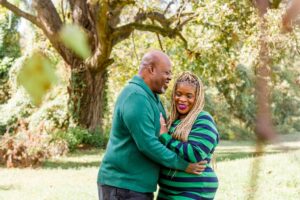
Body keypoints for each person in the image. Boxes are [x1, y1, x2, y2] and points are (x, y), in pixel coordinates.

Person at [97, 50, 207, 200]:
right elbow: (148, 144)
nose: (170, 78)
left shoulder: (153, 98)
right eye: (166, 72)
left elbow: (164, 134)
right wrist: (184, 165)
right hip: (123, 187)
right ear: (151, 69)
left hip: (138, 187)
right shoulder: (136, 96)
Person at [158, 72, 220, 200]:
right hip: (166, 192)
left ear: (197, 98)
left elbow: (195, 153)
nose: (182, 99)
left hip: (193, 192)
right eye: (178, 94)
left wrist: (165, 136)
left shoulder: (203, 119)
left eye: (189, 96)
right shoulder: (172, 121)